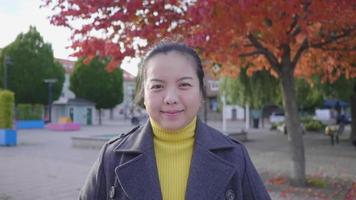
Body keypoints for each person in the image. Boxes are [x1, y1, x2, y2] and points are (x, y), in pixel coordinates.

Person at [79, 42, 271, 200]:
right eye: (157, 86)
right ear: (143, 95)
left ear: (201, 92)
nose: (170, 97)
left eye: (184, 84)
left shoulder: (234, 156)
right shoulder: (112, 157)